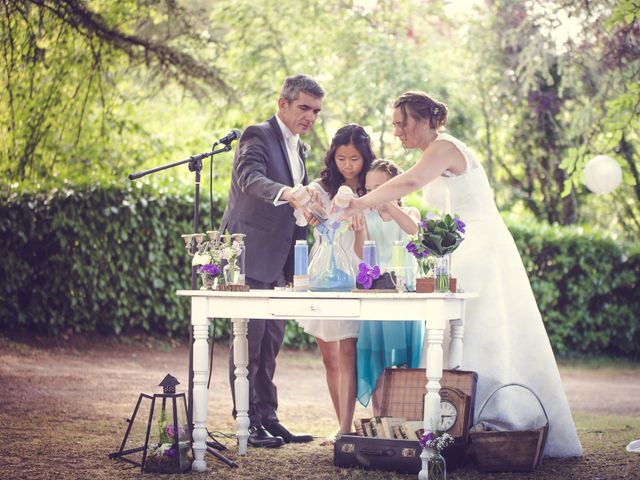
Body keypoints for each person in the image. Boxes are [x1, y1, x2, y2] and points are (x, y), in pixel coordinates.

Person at [342, 91, 582, 457]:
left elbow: (408, 183)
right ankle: (456, 425)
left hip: (481, 246)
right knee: (458, 332)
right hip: (461, 247)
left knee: (479, 330)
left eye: (401, 124)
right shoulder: (435, 152)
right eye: (394, 126)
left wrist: (358, 202)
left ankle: (490, 420)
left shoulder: (444, 146)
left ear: (424, 120)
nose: (398, 134)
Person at [219, 74, 323, 448]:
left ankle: (268, 417)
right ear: (283, 104)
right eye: (303, 108)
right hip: (249, 251)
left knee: (272, 341)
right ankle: (246, 421)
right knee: (249, 339)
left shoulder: (300, 149)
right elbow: (250, 178)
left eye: (315, 111)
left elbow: (296, 205)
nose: (310, 116)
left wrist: (309, 211)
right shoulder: (257, 135)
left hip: (282, 260)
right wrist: (288, 192)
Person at [295, 124, 373, 441]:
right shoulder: (320, 187)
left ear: (365, 158)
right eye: (341, 158)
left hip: (355, 270)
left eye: (354, 158)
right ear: (333, 156)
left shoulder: (372, 188)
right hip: (322, 270)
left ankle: (346, 430)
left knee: (348, 352)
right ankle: (341, 424)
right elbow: (302, 218)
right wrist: (308, 209)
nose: (348, 165)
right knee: (329, 357)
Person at [355, 159, 424, 414]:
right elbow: (362, 253)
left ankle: (403, 415)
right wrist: (360, 227)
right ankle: (378, 418)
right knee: (377, 359)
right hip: (377, 293)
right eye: (369, 188)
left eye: (380, 187)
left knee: (403, 359)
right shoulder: (368, 216)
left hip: (404, 294)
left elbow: (414, 231)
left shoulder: (410, 212)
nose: (373, 193)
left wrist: (389, 204)